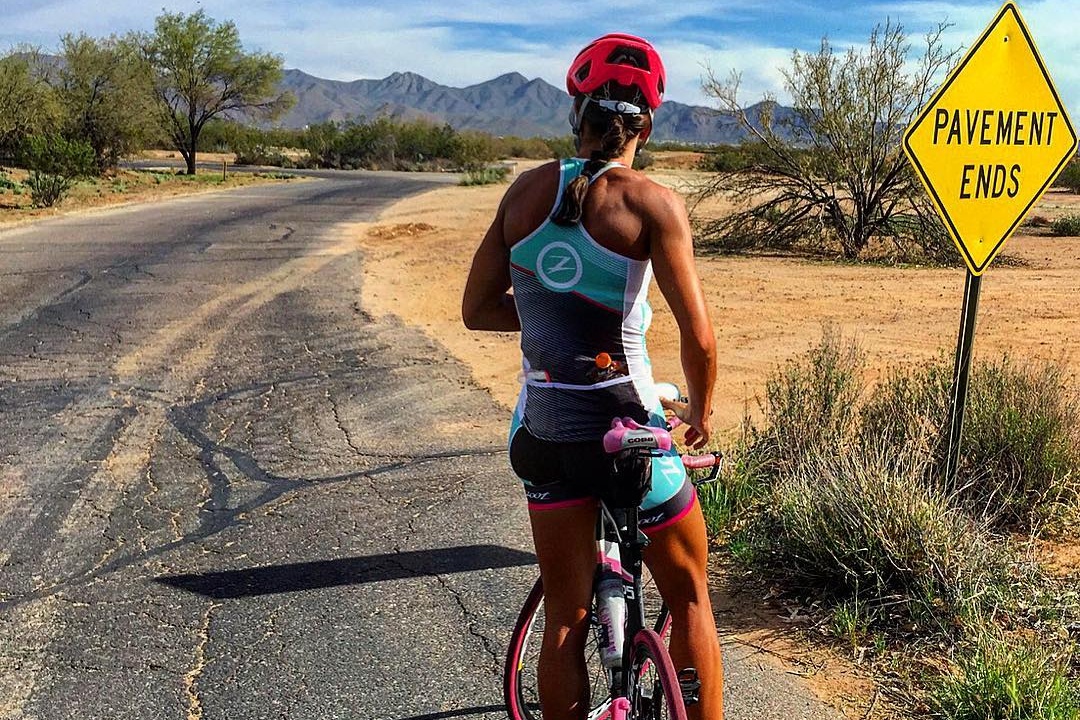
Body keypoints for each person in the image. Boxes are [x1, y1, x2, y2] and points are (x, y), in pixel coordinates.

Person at [462, 33, 722, 720]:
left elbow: (477, 309)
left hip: (546, 434)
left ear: (575, 108)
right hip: (627, 432)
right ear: (649, 122)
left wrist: (555, 323)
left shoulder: (524, 193)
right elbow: (699, 337)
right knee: (691, 593)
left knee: (566, 621)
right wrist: (703, 416)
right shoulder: (653, 204)